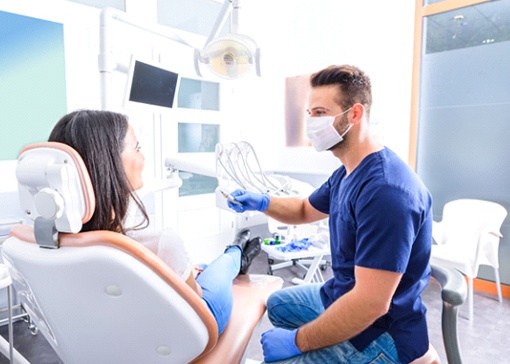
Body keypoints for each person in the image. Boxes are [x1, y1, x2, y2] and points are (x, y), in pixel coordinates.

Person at [227, 65, 433, 363]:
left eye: (321, 113)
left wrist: (299, 341)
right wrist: (261, 203)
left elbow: (370, 304)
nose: (312, 123)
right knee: (275, 305)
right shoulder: (346, 173)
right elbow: (302, 209)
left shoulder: (386, 192)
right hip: (342, 293)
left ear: (355, 114)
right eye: (310, 114)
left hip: (380, 332)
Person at [48, 109, 262, 336]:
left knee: (202, 267)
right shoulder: (160, 243)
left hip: (109, 338)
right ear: (109, 163)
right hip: (187, 336)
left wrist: (181, 269)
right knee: (220, 268)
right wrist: (186, 274)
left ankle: (229, 257)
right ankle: (236, 253)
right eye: (137, 148)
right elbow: (196, 303)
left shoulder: (48, 242)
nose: (143, 157)